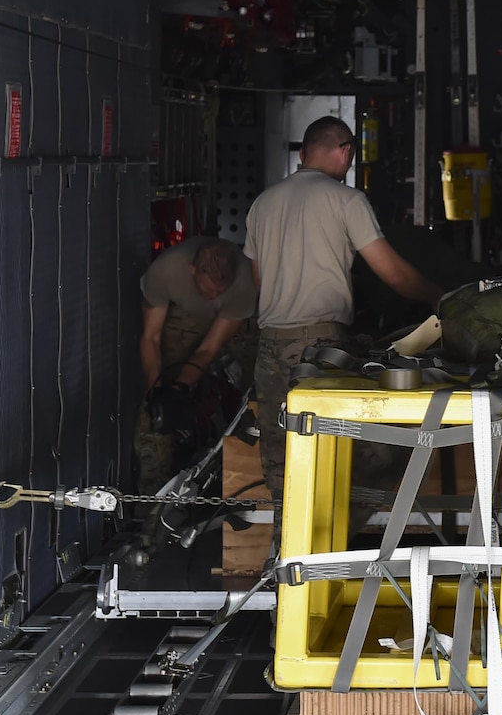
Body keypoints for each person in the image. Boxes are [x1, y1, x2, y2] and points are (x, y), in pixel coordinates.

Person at [244, 116, 442, 496]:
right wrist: (439, 297)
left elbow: (259, 281)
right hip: (319, 347)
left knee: (283, 455)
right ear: (346, 150)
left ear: (302, 154)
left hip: (268, 344)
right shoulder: (346, 199)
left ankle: (286, 549)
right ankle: (346, 538)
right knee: (365, 452)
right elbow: (394, 274)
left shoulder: (262, 204)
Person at [134, 236, 257, 490]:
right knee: (156, 411)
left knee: (259, 390)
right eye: (207, 289)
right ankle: (152, 492)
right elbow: (150, 336)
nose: (212, 296)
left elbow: (209, 348)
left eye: (218, 291)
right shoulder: (165, 271)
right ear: (192, 270)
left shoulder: (244, 281)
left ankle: (243, 478)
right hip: (184, 315)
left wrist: (180, 387)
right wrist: (157, 393)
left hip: (236, 322)